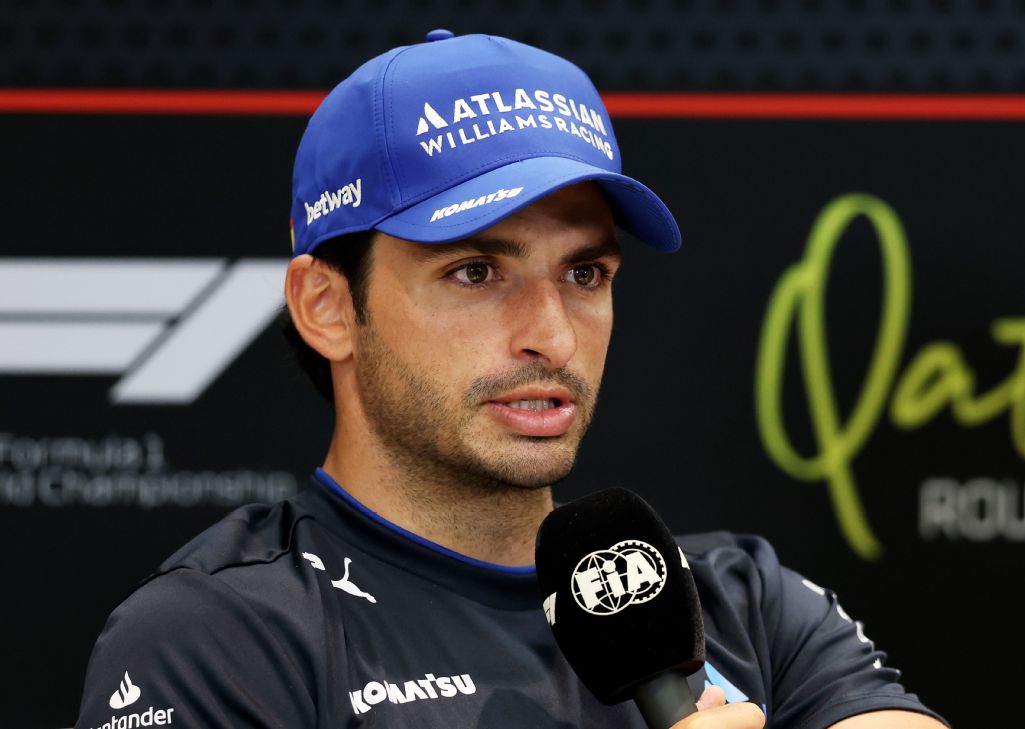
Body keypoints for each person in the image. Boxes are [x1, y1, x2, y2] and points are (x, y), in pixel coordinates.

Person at [75, 30, 948, 729]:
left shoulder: (740, 600)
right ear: (327, 307)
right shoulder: (218, 638)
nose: (553, 335)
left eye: (585, 273)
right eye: (476, 272)